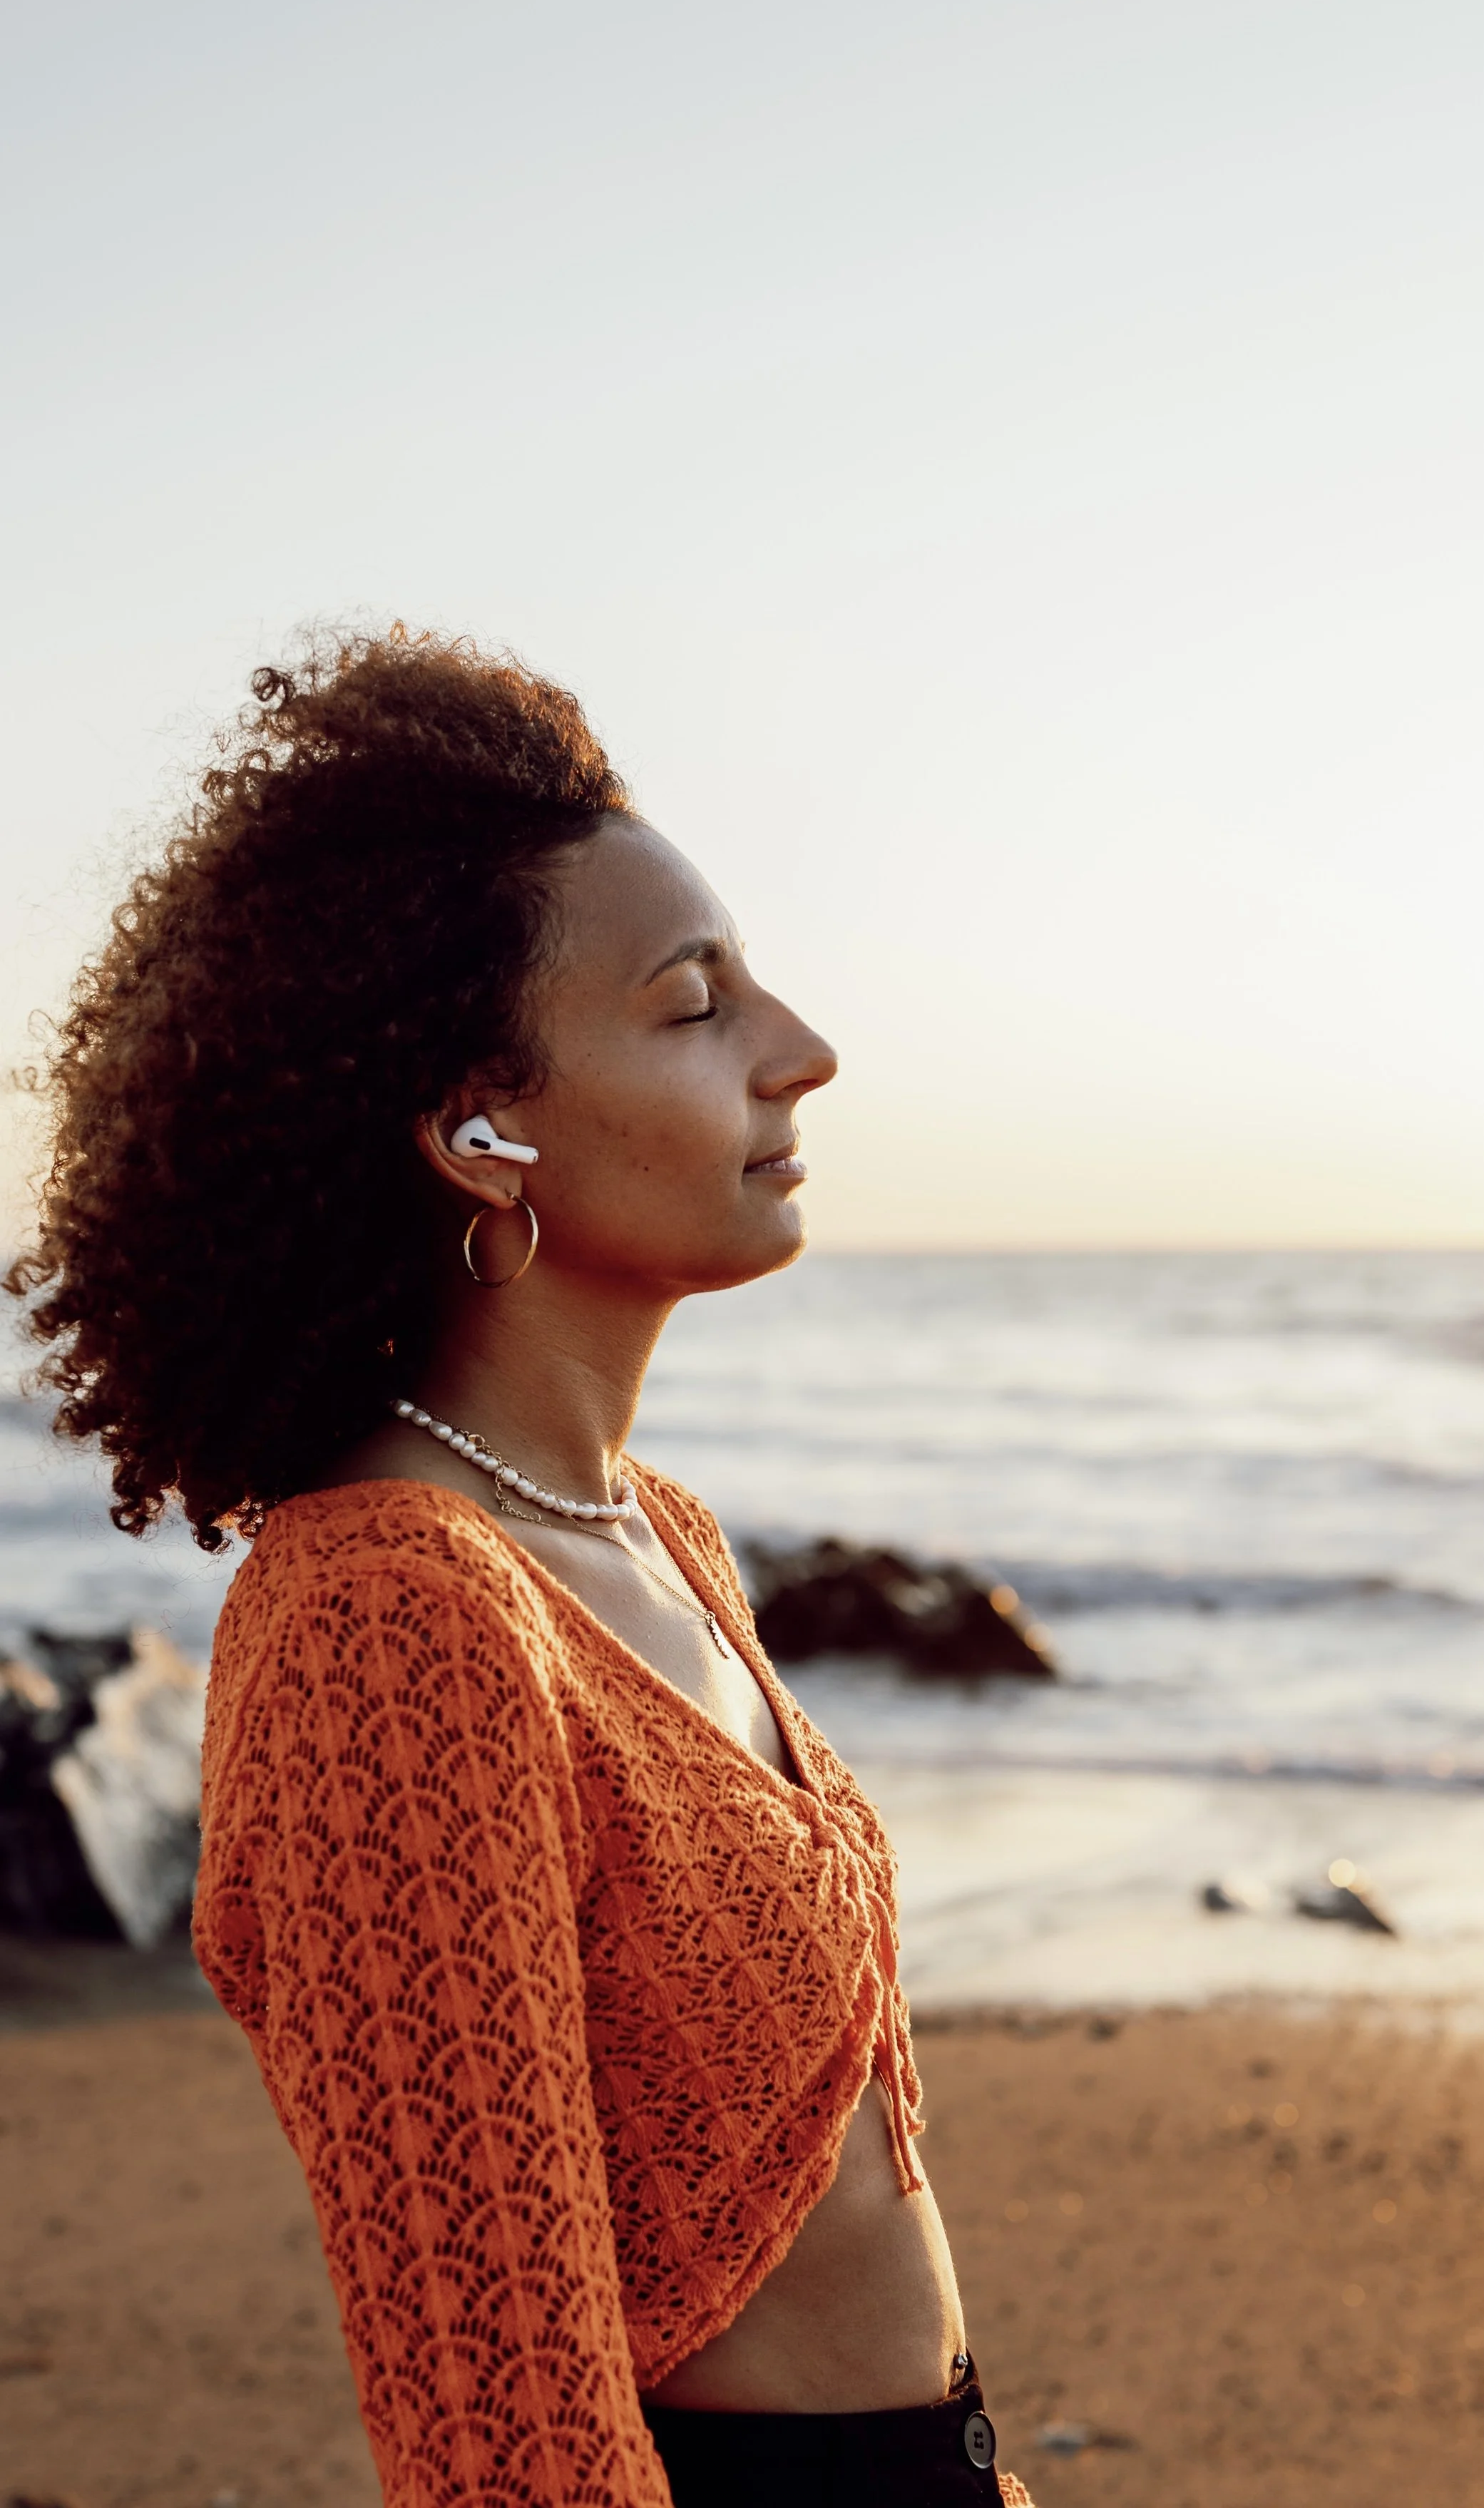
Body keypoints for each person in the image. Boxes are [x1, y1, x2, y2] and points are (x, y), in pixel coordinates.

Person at [9, 630, 1033, 2508]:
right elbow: (498, 2421)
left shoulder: (658, 1535)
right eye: (694, 1005)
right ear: (480, 1138)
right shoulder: (390, 1618)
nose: (802, 1054)